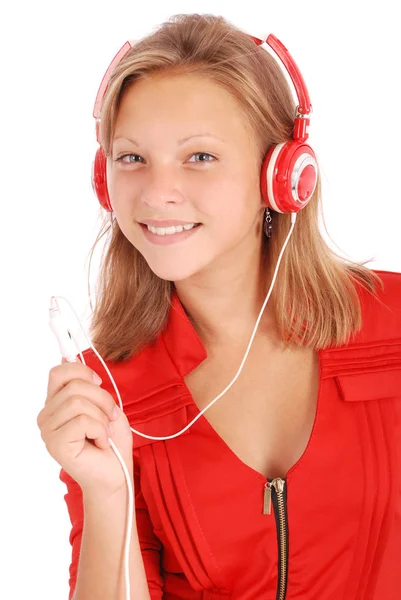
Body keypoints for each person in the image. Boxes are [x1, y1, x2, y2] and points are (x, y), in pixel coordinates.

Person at [37, 13, 401, 600]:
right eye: (132, 158)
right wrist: (109, 493)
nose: (157, 193)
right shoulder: (109, 393)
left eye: (199, 156)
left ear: (281, 176)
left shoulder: (395, 321)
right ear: (105, 179)